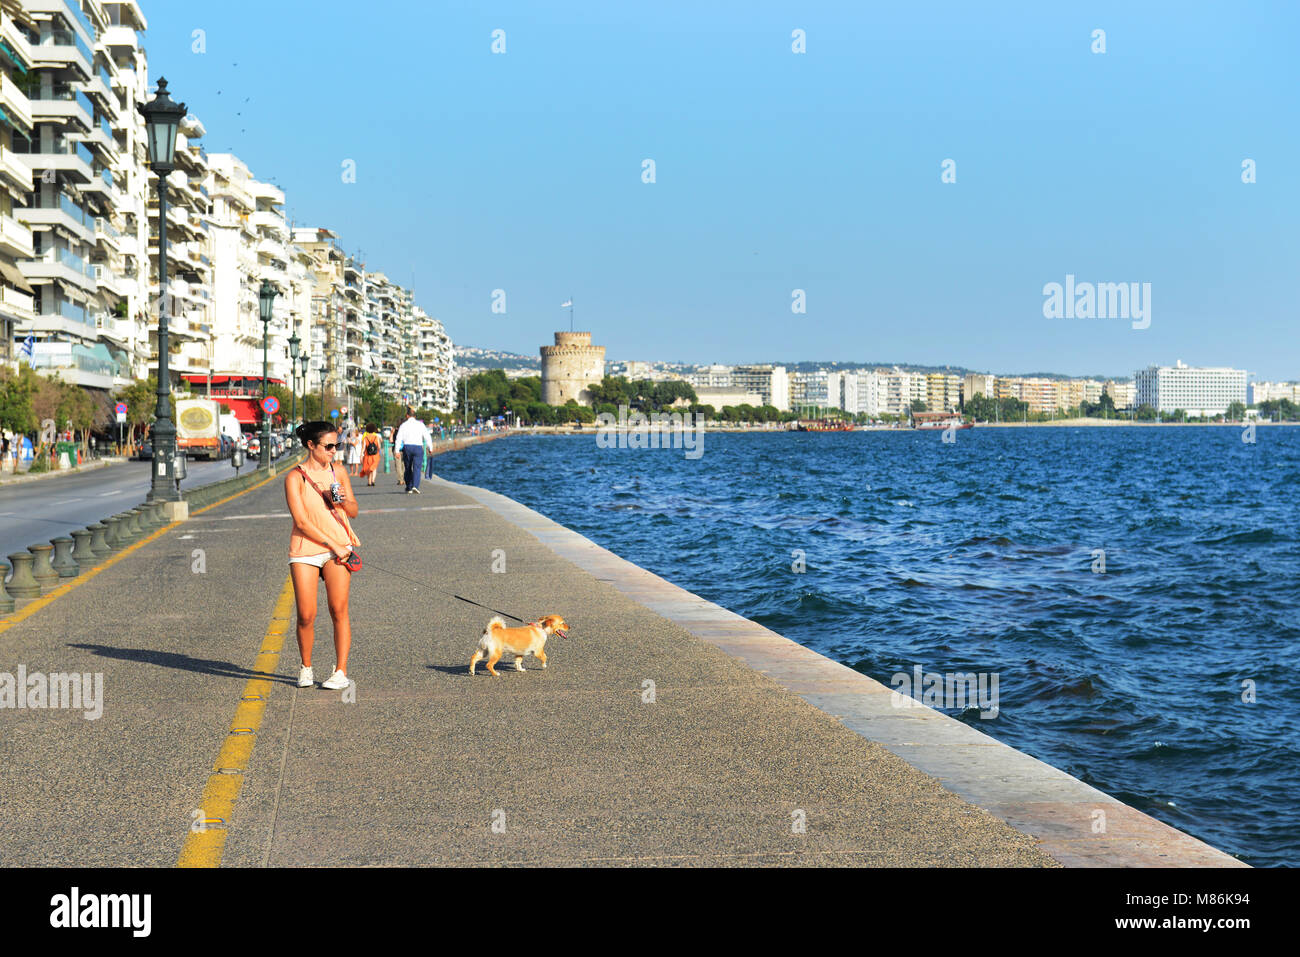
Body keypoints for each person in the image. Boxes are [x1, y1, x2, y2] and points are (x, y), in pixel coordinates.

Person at [285, 421, 361, 690]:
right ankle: (306, 667)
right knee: (306, 614)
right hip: (306, 549)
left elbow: (353, 511)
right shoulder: (295, 477)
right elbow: (302, 521)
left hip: (338, 548)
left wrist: (340, 501)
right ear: (310, 446)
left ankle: (340, 672)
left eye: (337, 445)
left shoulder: (338, 471)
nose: (334, 450)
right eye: (328, 446)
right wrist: (334, 545)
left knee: (338, 610)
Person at [392, 407, 433, 494]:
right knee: (417, 468)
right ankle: (415, 486)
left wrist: (397, 451)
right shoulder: (421, 425)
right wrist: (430, 447)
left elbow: (398, 438)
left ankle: (409, 487)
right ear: (415, 416)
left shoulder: (403, 425)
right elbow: (427, 437)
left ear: (407, 416)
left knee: (408, 467)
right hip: (418, 447)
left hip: (407, 447)